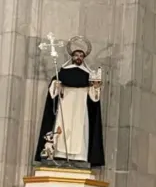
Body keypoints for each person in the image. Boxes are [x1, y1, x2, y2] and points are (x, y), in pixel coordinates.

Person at [34, 36, 105, 166]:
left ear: (83, 58)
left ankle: (79, 156)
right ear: (72, 57)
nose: (78, 57)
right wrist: (56, 85)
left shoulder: (88, 75)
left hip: (80, 108)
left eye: (81, 56)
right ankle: (59, 154)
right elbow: (53, 94)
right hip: (65, 106)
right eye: (76, 55)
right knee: (62, 129)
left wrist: (95, 88)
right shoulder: (62, 73)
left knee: (80, 131)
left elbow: (94, 98)